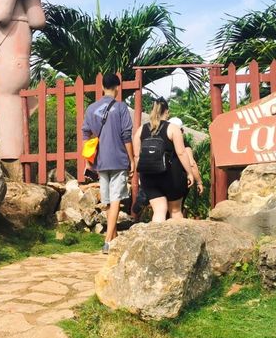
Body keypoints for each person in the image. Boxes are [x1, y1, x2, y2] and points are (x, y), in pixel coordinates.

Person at [82, 74, 134, 253]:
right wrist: (132, 159)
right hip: (119, 160)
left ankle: (114, 238)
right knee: (115, 200)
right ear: (117, 88)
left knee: (109, 202)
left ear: (102, 87)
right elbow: (127, 135)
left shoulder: (91, 109)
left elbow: (85, 135)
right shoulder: (120, 107)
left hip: (100, 161)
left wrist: (88, 160)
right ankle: (107, 241)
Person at [133, 98, 194, 221]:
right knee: (175, 211)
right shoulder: (173, 129)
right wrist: (189, 173)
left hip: (149, 177)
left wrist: (141, 175)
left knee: (159, 210)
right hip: (171, 176)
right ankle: (178, 240)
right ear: (167, 112)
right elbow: (181, 153)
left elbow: (137, 156)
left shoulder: (141, 130)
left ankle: (157, 240)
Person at [168, 117, 205, 208]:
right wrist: (199, 182)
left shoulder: (163, 141)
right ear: (182, 131)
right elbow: (192, 164)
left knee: (161, 209)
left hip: (160, 179)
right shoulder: (184, 144)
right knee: (176, 210)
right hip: (178, 180)